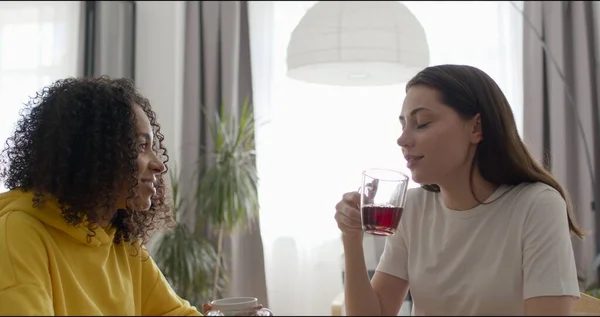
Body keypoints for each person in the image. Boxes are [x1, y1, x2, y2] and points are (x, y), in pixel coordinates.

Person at [335, 64, 582, 316]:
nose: (402, 140)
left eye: (421, 123)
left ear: (476, 128)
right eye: (403, 125)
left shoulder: (537, 205)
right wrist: (351, 238)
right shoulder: (413, 208)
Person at [0, 77, 202, 315]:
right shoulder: (17, 233)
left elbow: (173, 313)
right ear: (96, 153)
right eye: (141, 147)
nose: (159, 165)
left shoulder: (121, 244)